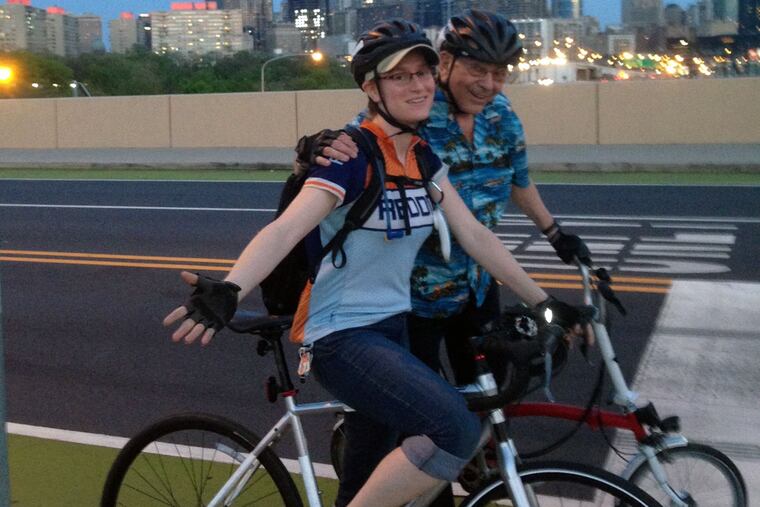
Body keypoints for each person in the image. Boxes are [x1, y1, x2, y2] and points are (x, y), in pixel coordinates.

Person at [165, 20, 590, 507]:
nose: (418, 85)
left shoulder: (423, 160)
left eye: (423, 73)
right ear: (372, 87)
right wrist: (231, 287)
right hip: (343, 337)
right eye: (400, 76)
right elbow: (286, 229)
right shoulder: (351, 156)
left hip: (394, 330)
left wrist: (545, 301)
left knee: (363, 476)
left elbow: (474, 234)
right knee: (455, 427)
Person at [299, 11, 592, 505]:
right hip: (410, 300)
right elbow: (345, 155)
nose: (489, 83)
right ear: (447, 64)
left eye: (500, 72)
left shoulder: (502, 115)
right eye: (478, 69)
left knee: (490, 397)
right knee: (417, 417)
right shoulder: (413, 112)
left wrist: (555, 233)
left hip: (476, 286)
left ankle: (463, 468)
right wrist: (309, 150)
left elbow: (516, 183)